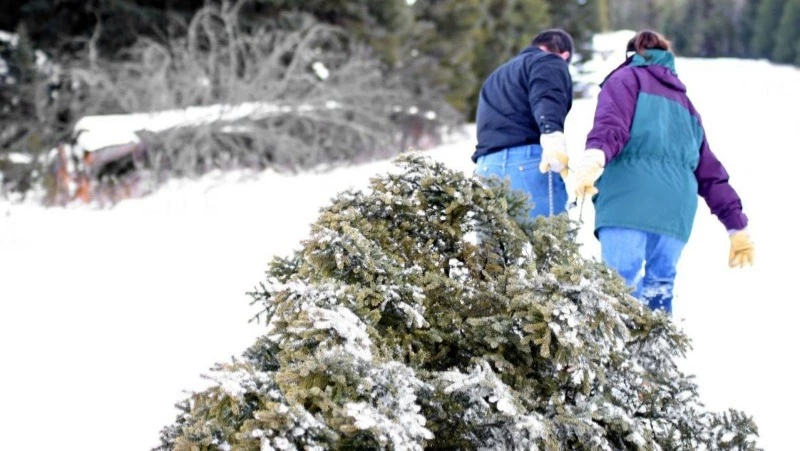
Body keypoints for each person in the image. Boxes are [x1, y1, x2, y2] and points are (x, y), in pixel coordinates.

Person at [572, 30, 754, 315]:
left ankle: (614, 357)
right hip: (675, 211)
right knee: (659, 289)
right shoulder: (687, 105)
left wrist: (595, 156)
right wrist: (736, 226)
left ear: (633, 53)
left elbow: (611, 126)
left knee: (616, 291)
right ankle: (652, 356)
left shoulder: (624, 79)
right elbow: (710, 171)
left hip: (627, 201)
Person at [472, 28, 574, 218]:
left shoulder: (496, 76)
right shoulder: (550, 61)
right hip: (528, 164)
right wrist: (552, 134)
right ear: (564, 55)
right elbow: (547, 96)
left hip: (487, 167)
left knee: (495, 247)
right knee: (550, 243)